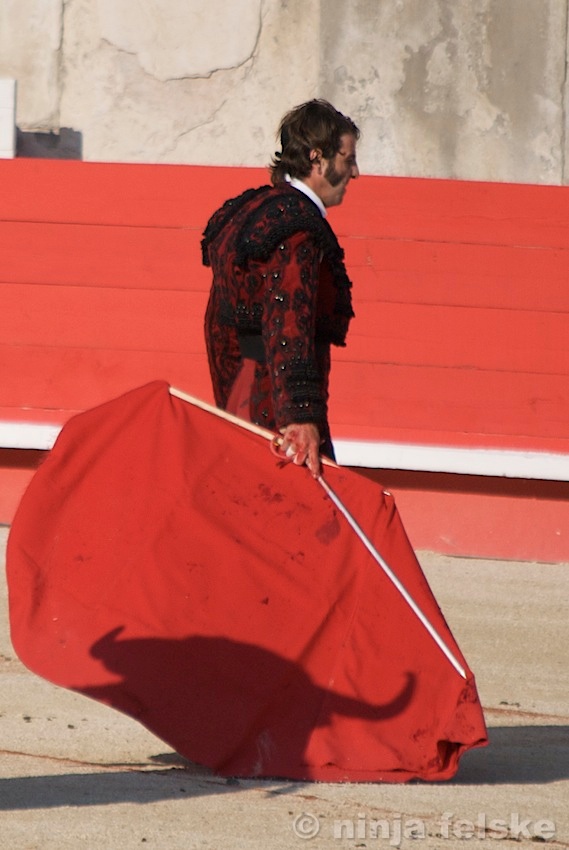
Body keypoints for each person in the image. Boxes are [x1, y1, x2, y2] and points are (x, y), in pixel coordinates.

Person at [202, 99, 360, 478]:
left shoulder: (253, 211)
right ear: (317, 157)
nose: (354, 172)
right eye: (347, 159)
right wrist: (300, 416)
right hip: (278, 408)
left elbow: (217, 322)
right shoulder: (298, 226)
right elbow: (289, 321)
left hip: (244, 394)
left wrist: (228, 399)